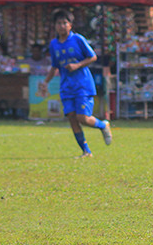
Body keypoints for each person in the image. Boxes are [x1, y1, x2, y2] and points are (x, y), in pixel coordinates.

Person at [37, 9, 111, 157]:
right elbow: (55, 66)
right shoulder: (54, 45)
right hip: (66, 86)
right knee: (71, 117)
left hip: (82, 84)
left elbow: (93, 57)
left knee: (82, 118)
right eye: (59, 23)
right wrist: (45, 82)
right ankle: (86, 151)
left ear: (70, 25)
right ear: (55, 26)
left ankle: (103, 125)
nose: (62, 26)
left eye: (65, 23)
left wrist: (77, 65)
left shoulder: (78, 39)